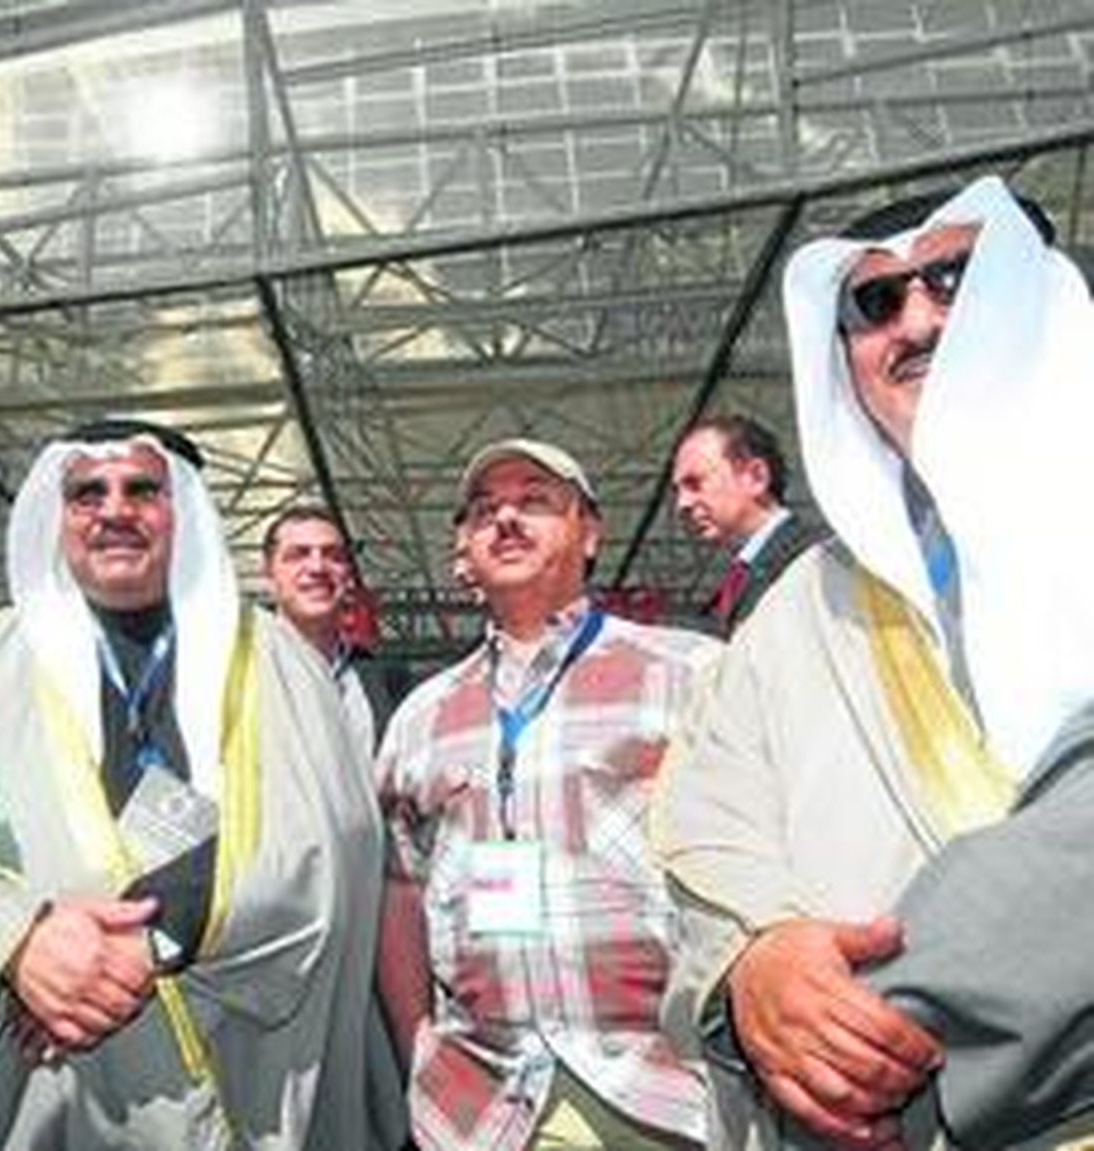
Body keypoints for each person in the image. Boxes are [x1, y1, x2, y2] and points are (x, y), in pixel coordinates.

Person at [656, 175, 1094, 1149]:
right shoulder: (799, 607)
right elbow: (706, 819)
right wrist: (753, 966)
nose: (918, 320)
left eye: (956, 278)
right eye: (875, 301)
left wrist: (879, 1023)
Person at [0, 418, 382, 1149]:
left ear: (186, 514)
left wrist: (139, 957)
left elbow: (343, 852)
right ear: (57, 516)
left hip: (247, 1071)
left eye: (142, 489)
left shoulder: (283, 665)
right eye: (87, 493)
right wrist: (18, 946)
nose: (114, 510)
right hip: (38, 1083)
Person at [376, 437, 712, 1151]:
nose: (506, 519)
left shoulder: (688, 672)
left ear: (589, 533)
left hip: (659, 1087)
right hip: (477, 1100)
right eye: (484, 509)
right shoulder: (422, 715)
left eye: (535, 501)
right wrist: (417, 1042)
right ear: (463, 549)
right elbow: (398, 885)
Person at [261, 506, 413, 754]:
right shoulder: (236, 669)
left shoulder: (387, 681)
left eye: (333, 555)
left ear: (348, 574)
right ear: (269, 573)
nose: (318, 567)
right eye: (298, 554)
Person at [671, 414, 817, 634]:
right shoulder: (740, 577)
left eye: (695, 483)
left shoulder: (811, 560)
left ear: (756, 477)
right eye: (678, 491)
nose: (682, 504)